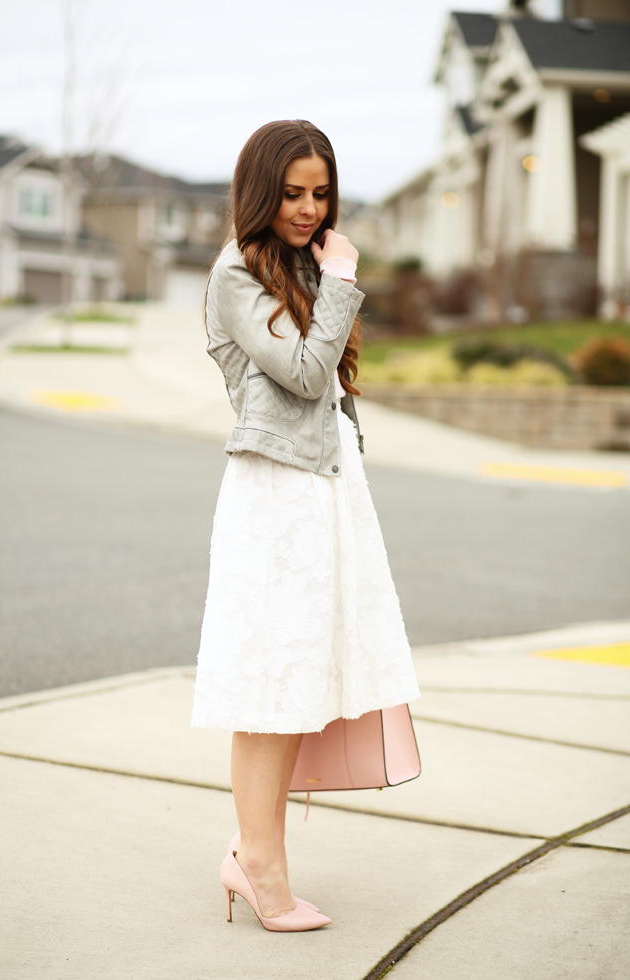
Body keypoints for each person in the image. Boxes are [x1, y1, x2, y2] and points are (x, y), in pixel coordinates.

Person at [192, 119, 420, 932]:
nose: (308, 207)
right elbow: (302, 371)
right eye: (292, 193)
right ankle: (259, 863)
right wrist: (345, 279)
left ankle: (254, 852)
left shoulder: (297, 267)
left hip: (321, 492)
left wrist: (327, 277)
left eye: (320, 193)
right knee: (268, 685)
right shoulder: (234, 274)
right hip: (274, 498)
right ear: (260, 190)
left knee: (297, 685)